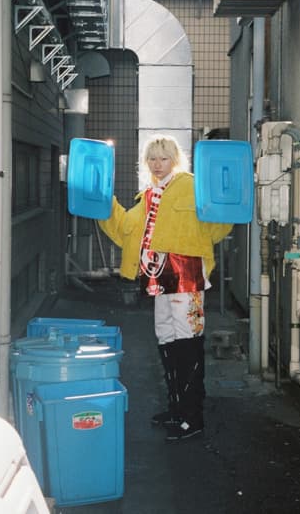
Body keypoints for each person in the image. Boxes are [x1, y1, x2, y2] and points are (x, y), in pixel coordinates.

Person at [98, 134, 233, 441]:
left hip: (187, 273)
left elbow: (218, 221)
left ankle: (193, 416)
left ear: (175, 160)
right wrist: (104, 202)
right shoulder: (148, 195)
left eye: (164, 158)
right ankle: (177, 408)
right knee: (167, 336)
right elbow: (127, 228)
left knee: (189, 340)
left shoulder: (191, 185)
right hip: (159, 273)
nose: (158, 165)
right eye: (152, 159)